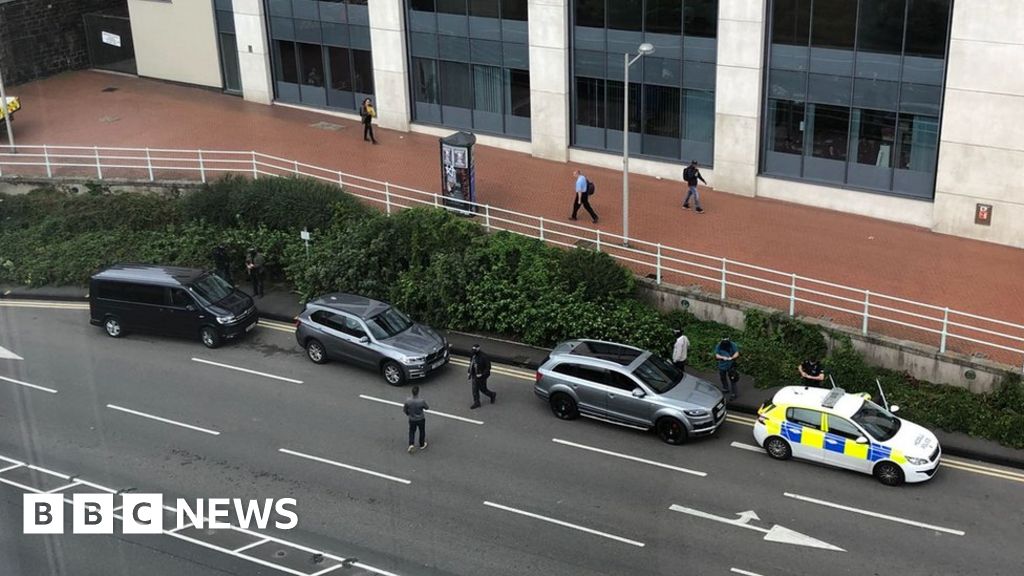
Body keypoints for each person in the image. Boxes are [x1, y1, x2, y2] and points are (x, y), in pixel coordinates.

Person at [468, 344, 496, 409]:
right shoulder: (473, 355)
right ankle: (476, 402)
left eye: (475, 350)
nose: (473, 351)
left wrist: (482, 374)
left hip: (482, 376)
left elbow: (488, 367)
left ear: (478, 349)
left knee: (483, 389)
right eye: (473, 350)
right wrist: (469, 371)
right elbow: (471, 363)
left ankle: (492, 394)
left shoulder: (484, 357)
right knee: (474, 389)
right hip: (474, 374)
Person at [403, 385, 428, 453]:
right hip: (420, 419)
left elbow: (405, 410)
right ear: (418, 392)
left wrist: (409, 414)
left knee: (412, 431)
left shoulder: (408, 401)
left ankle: (411, 444)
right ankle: (422, 444)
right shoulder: (421, 401)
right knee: (422, 431)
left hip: (412, 419)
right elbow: (427, 407)